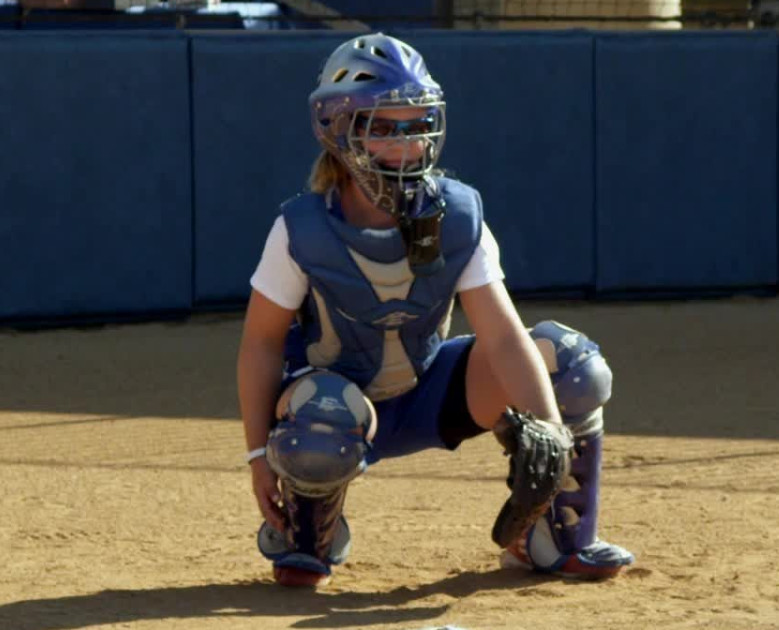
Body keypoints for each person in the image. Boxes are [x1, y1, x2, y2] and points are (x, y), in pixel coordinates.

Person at [237, 32, 634, 588]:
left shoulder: (458, 215)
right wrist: (259, 455)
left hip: (430, 394)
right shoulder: (299, 230)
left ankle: (554, 537)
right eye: (383, 128)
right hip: (335, 407)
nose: (405, 145)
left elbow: (503, 337)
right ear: (337, 129)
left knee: (570, 364)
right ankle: (308, 532)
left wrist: (550, 434)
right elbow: (260, 344)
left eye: (417, 125)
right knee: (323, 412)